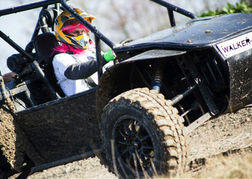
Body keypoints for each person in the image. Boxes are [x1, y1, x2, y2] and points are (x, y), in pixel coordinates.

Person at [52, 8, 116, 96]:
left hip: (105, 93)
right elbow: (75, 72)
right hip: (83, 103)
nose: (82, 35)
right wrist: (105, 58)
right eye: (76, 32)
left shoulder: (92, 51)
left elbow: (112, 67)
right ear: (63, 33)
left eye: (83, 31)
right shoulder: (60, 58)